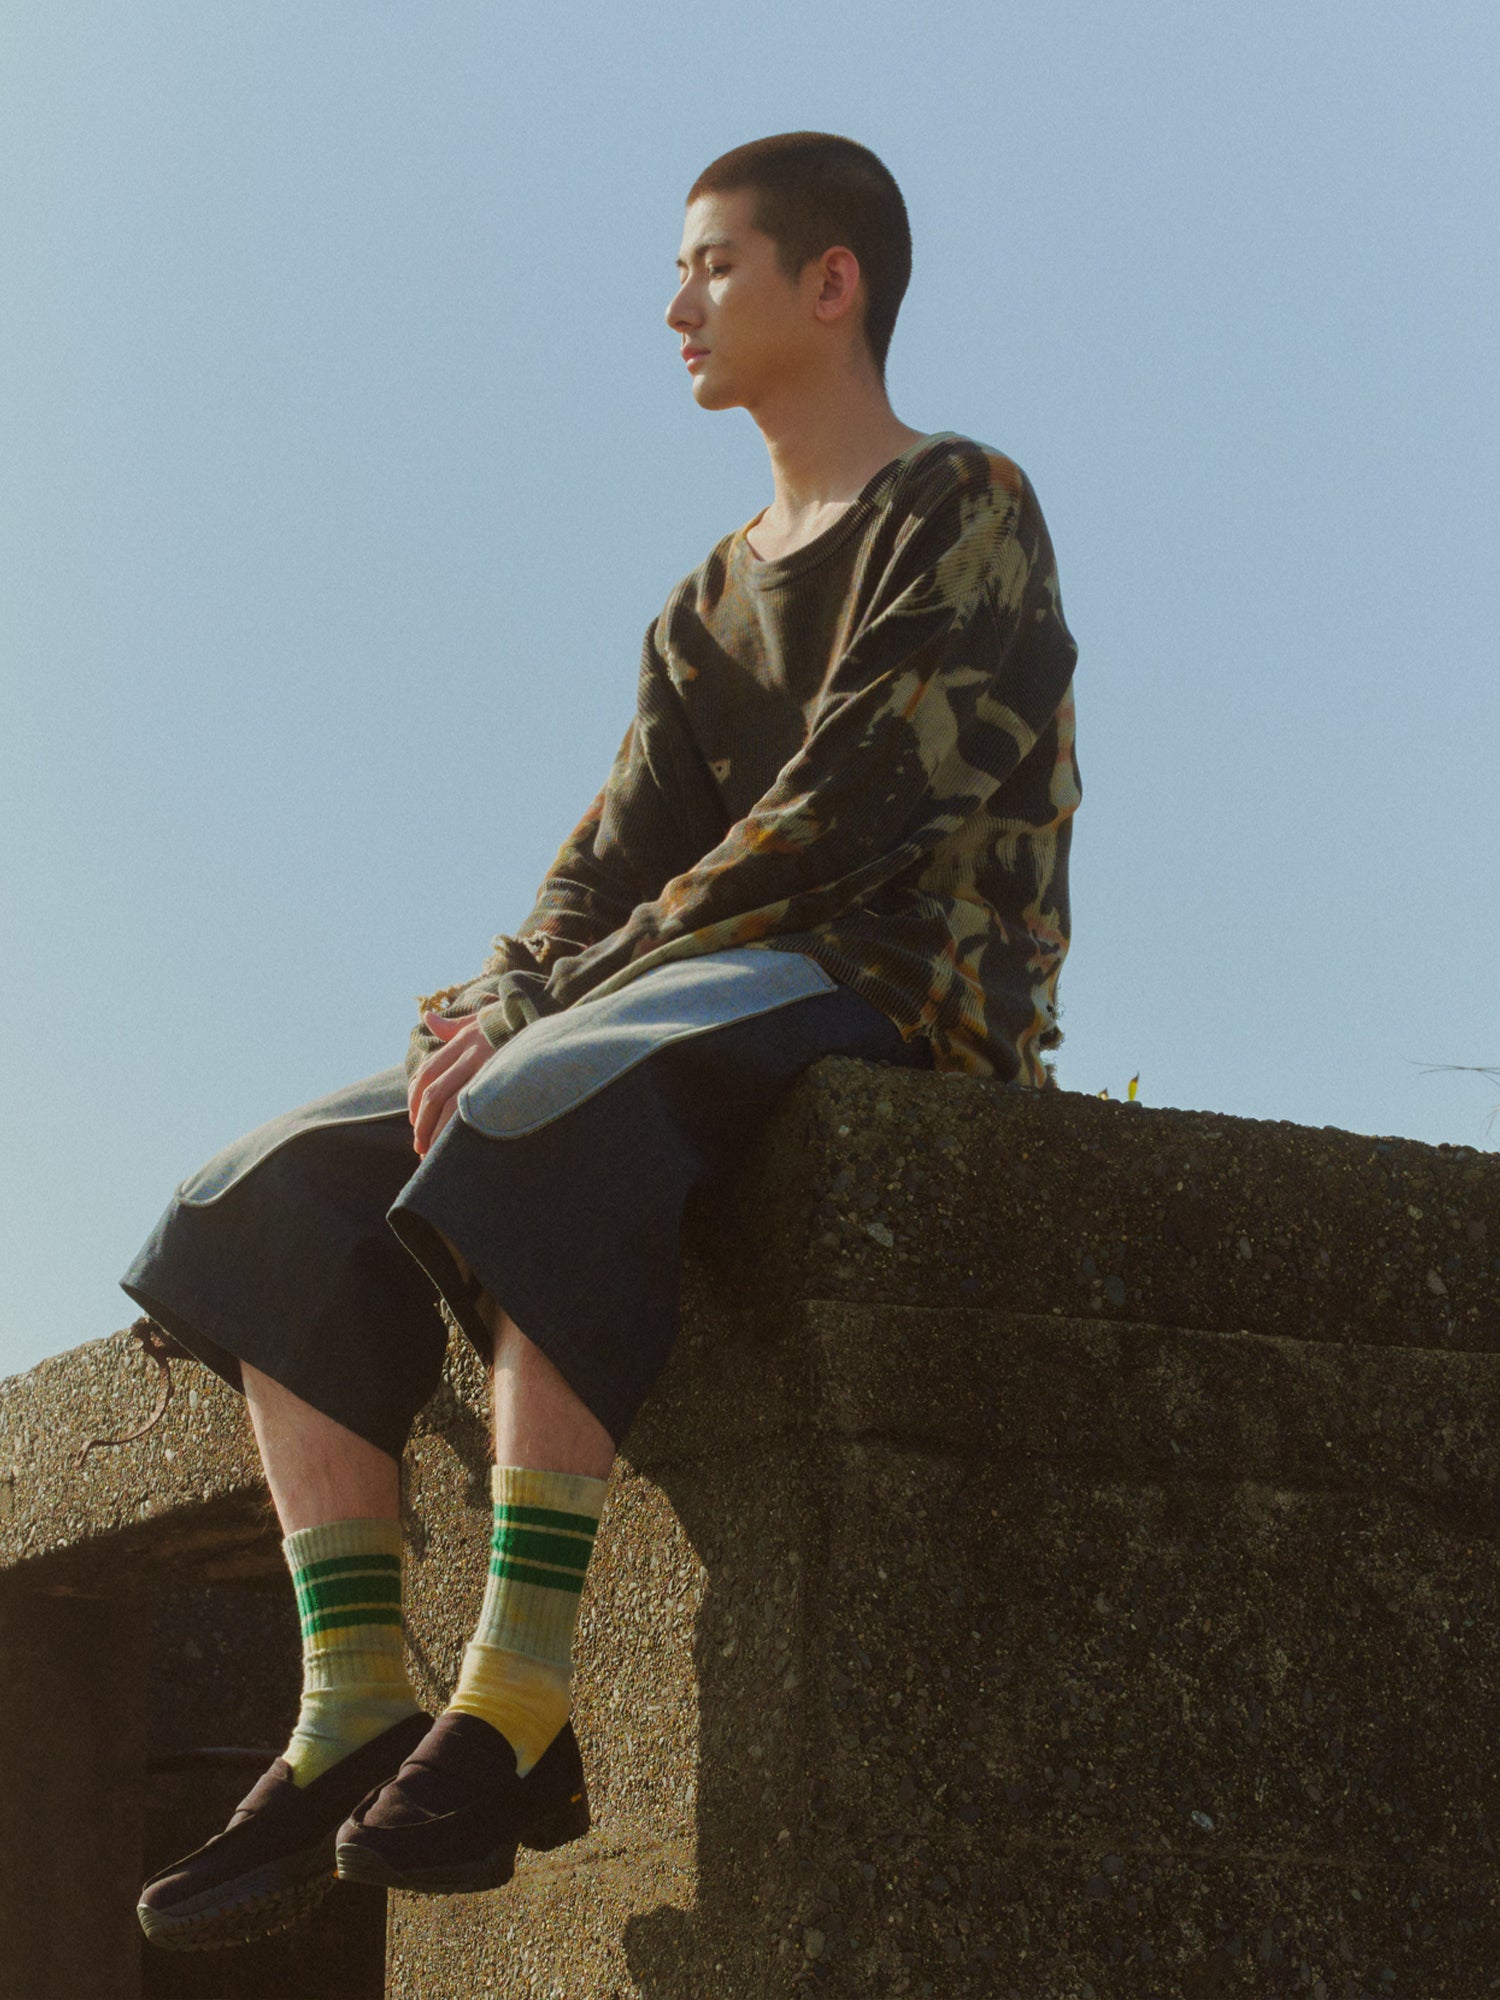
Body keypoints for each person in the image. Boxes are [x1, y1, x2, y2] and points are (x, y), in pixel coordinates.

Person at [127, 129, 1081, 1951]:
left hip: (903, 982)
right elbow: (608, 861)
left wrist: (545, 1013)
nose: (676, 307)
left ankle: (519, 1696)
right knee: (256, 1192)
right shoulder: (706, 599)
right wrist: (498, 989)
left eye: (712, 265)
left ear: (832, 283)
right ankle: (355, 1698)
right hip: (679, 992)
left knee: (537, 1099)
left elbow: (847, 811)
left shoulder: (962, 504)